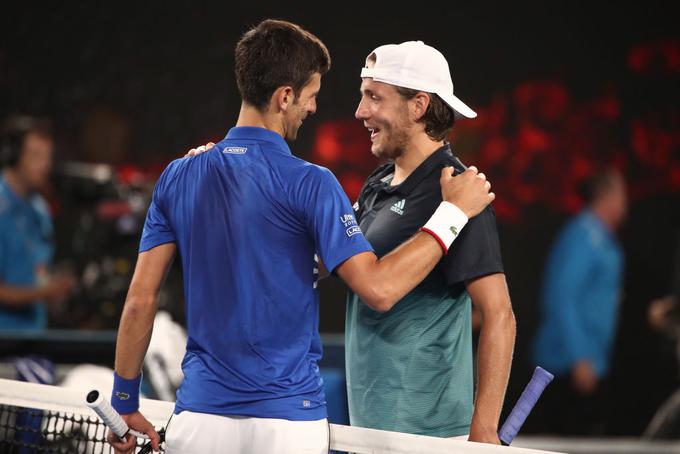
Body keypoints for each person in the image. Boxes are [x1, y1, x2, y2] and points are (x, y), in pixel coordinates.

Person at [107, 20, 494, 454]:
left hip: (201, 419)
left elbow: (140, 300)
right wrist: (453, 214)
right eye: (311, 96)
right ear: (285, 96)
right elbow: (379, 288)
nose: (313, 109)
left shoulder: (179, 176)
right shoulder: (313, 184)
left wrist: (124, 400)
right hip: (289, 424)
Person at [344, 41, 515, 443]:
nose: (360, 111)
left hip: (430, 438)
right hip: (367, 431)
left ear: (418, 106)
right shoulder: (377, 182)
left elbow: (499, 314)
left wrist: (484, 431)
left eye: (374, 97)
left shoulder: (460, 192)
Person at [531, 169, 627, 435]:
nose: (624, 202)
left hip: (589, 364)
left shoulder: (602, 238)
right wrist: (579, 358)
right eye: (621, 194)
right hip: (565, 369)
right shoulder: (583, 236)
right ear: (607, 196)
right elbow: (562, 298)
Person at [0, 115, 75, 331]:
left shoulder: (40, 208)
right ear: (13, 155)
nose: (45, 165)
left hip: (35, 336)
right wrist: (46, 292)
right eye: (36, 156)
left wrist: (58, 288)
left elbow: (40, 271)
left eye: (48, 157)